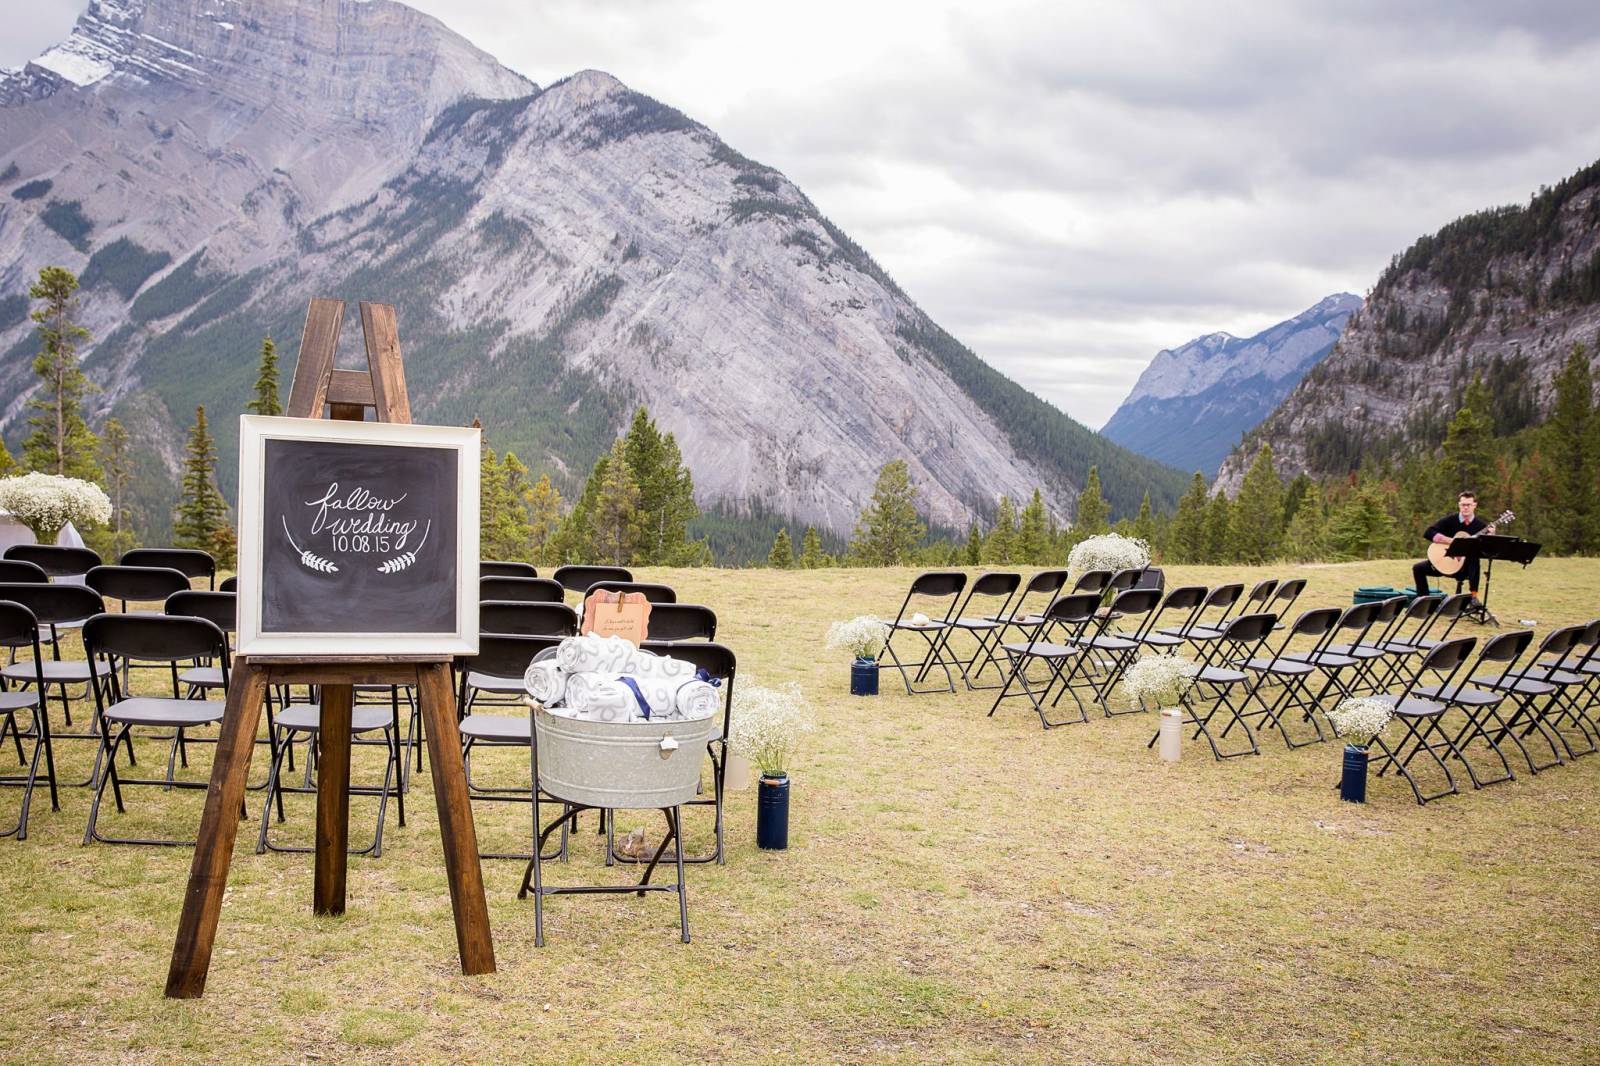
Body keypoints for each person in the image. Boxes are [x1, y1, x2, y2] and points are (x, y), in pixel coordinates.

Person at [1412, 490, 1497, 597]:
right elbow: (1428, 532)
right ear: (1459, 505)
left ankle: (1474, 597)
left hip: (1463, 569)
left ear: (1474, 505)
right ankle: (1423, 600)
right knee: (1418, 568)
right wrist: (1452, 541)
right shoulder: (1450, 520)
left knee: (1473, 557)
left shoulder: (1480, 526)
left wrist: (1491, 537)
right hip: (1444, 563)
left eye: (1468, 505)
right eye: (1463, 505)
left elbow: (1487, 551)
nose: (1465, 507)